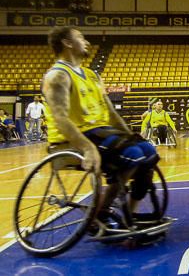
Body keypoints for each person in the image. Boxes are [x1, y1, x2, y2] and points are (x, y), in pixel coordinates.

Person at [42, 27, 159, 226]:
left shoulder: (92, 75)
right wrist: (87, 148)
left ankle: (130, 214)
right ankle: (99, 213)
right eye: (81, 37)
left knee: (147, 151)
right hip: (73, 138)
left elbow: (111, 113)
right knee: (133, 154)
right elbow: (61, 119)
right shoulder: (57, 76)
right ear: (67, 43)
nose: (87, 41)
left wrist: (130, 134)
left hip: (101, 132)